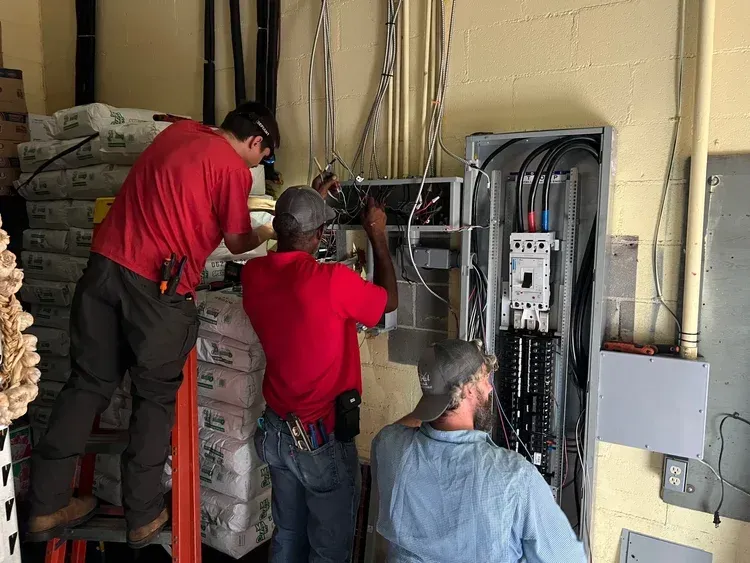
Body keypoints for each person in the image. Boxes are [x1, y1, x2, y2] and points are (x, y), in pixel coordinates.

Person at [27, 102, 288, 547]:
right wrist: (265, 232)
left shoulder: (177, 134)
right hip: (156, 288)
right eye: (263, 156)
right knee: (153, 399)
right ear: (256, 142)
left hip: (103, 270)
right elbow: (236, 240)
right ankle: (144, 515)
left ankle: (45, 505)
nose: (259, 164)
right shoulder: (233, 169)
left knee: (87, 384)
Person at [242, 187, 398, 562]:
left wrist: (311, 198)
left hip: (277, 432)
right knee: (328, 550)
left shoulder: (253, 274)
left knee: (288, 536)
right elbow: (387, 302)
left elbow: (295, 264)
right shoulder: (331, 282)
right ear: (318, 235)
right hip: (321, 439)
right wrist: (378, 237)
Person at [372, 339, 586, 563]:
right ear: (467, 390)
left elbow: (401, 427)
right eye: (485, 378)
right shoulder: (516, 477)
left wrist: (435, 402)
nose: (490, 388)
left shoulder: (389, 447)